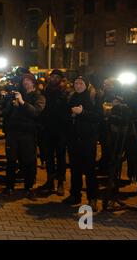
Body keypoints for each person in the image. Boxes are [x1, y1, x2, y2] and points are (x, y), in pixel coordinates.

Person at [1, 73, 46, 200]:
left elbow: (35, 112)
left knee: (29, 162)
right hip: (13, 132)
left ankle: (29, 187)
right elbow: (6, 112)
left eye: (28, 80)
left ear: (33, 82)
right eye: (23, 80)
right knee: (11, 160)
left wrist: (22, 102)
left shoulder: (39, 96)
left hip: (28, 133)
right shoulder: (16, 94)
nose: (25, 82)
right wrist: (4, 105)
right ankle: (9, 187)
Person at [63, 76, 100, 212]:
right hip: (73, 139)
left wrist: (82, 112)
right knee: (75, 169)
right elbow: (65, 115)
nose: (78, 86)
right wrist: (71, 116)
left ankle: (92, 198)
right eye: (76, 83)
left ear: (87, 84)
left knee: (90, 170)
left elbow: (97, 117)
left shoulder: (93, 98)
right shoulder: (71, 97)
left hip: (88, 140)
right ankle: (75, 195)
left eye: (81, 83)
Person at [38, 69, 69, 196]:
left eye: (57, 77)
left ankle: (60, 182)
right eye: (52, 77)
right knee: (48, 156)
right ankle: (50, 181)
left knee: (61, 156)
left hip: (61, 129)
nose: (54, 79)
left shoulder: (65, 93)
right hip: (47, 129)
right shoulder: (45, 91)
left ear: (61, 79)